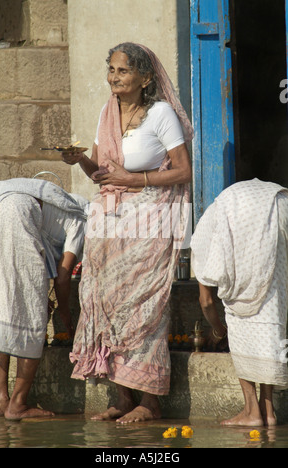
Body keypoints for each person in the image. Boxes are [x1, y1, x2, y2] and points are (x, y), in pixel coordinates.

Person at [62, 42, 193, 423]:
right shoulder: (108, 112)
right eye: (111, 69)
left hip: (149, 222)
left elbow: (183, 170)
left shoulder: (161, 113)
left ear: (145, 78)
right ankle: (121, 396)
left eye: (122, 70)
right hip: (109, 222)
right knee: (103, 302)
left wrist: (133, 178)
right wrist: (80, 159)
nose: (114, 77)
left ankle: (149, 402)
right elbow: (102, 174)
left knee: (141, 307)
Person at [190, 178, 288, 427]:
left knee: (240, 322)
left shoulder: (203, 244)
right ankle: (268, 411)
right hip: (280, 204)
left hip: (249, 207)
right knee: (268, 319)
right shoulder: (215, 224)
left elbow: (206, 302)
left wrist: (219, 330)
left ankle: (252, 411)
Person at [0, 178, 88, 421]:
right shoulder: (82, 220)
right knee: (33, 314)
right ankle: (17, 405)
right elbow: (64, 277)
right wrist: (65, 312)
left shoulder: (61, 210)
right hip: (20, 213)